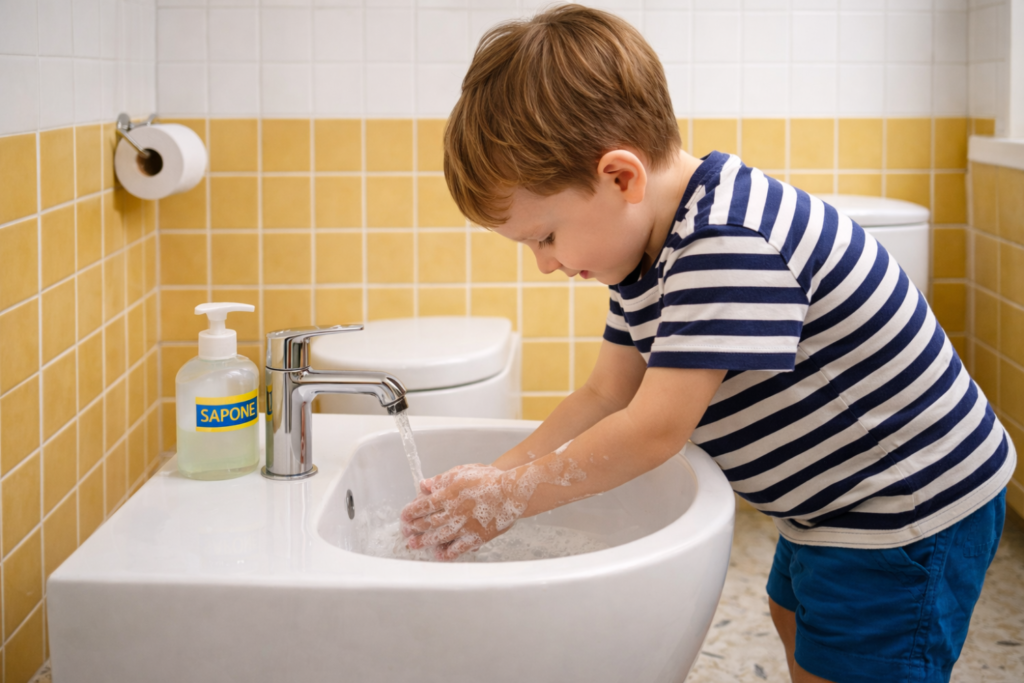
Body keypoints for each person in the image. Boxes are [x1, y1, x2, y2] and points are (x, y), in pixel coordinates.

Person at [399, 5, 1015, 682]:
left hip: (904, 504)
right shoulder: (645, 254)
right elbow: (607, 393)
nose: (543, 263)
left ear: (621, 177)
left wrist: (514, 496)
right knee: (795, 618)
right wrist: (499, 473)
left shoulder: (727, 242)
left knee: (848, 661)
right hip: (832, 502)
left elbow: (654, 429)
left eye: (544, 236)